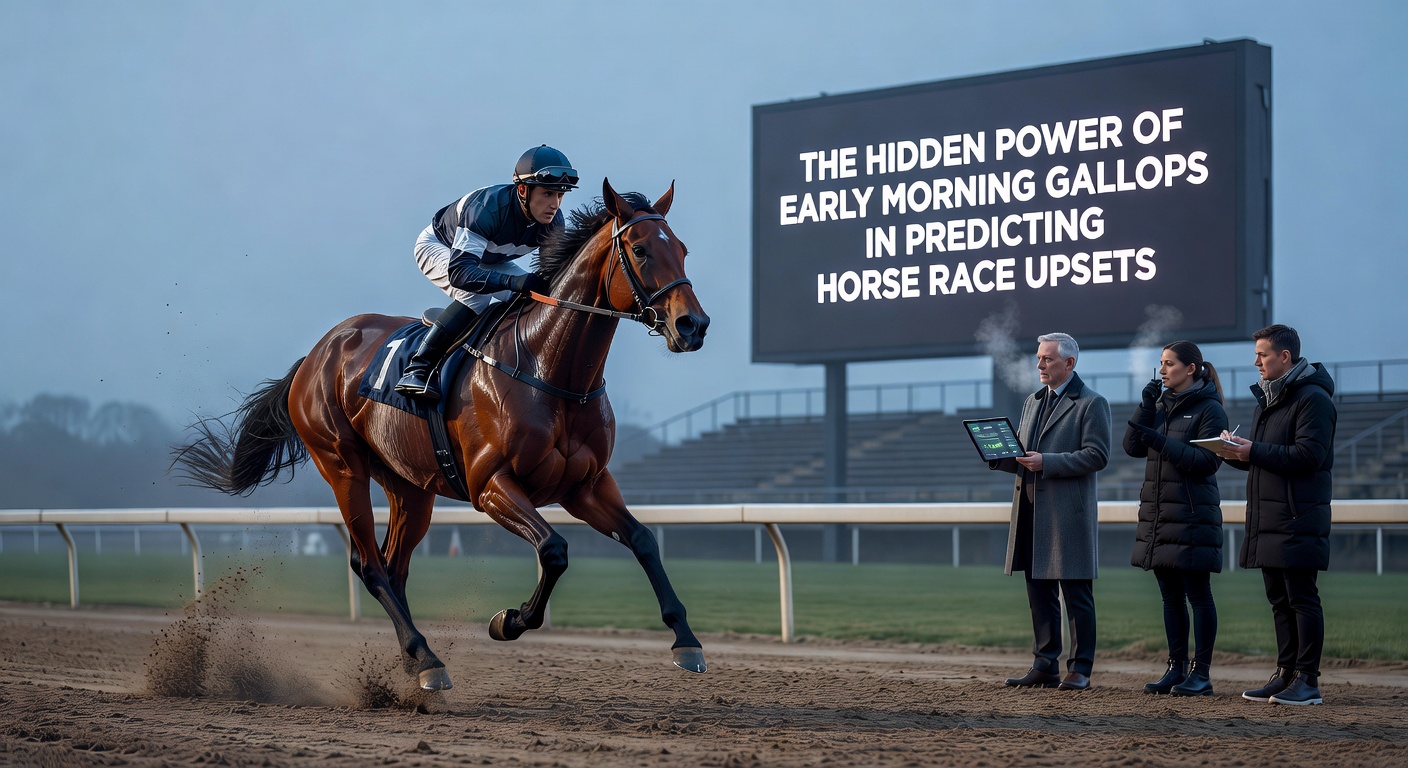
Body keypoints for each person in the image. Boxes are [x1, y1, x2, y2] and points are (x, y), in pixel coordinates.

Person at [395, 145, 578, 402]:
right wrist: (513, 281)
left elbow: (550, 280)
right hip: (440, 248)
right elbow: (460, 273)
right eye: (547, 194)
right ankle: (418, 368)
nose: (554, 205)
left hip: (489, 259)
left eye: (560, 195)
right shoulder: (487, 209)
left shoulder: (553, 222)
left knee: (535, 297)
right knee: (476, 297)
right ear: (523, 190)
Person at [1219, 324, 1336, 706]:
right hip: (1269, 517)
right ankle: (1285, 674)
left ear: (1285, 357)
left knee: (1301, 597)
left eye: (1262, 354)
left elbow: (1309, 457)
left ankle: (1309, 681)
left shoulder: (1313, 399)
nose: (1256, 362)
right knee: (1279, 599)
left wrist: (1252, 451)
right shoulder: (1269, 401)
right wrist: (1232, 452)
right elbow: (1265, 461)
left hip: (1298, 515)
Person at [991, 333, 1111, 690]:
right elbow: (1027, 456)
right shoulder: (1032, 401)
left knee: (1076, 595)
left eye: (1047, 359)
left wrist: (1048, 462)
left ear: (1069, 364)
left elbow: (1098, 455)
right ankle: (1045, 664)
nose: (1040, 365)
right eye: (1039, 358)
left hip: (1066, 512)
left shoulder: (1092, 403)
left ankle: (1081, 668)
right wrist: (1001, 458)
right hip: (1030, 507)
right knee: (1038, 591)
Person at [1124, 341, 1228, 696]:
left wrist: (1160, 439)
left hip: (1193, 515)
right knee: (1170, 597)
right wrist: (1145, 407)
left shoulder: (1210, 408)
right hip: (1160, 515)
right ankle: (1175, 668)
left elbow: (1207, 462)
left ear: (1192, 369)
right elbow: (1132, 446)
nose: (1163, 370)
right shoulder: (1159, 406)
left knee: (1198, 595)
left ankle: (1202, 673)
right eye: (1161, 363)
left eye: (1169, 364)